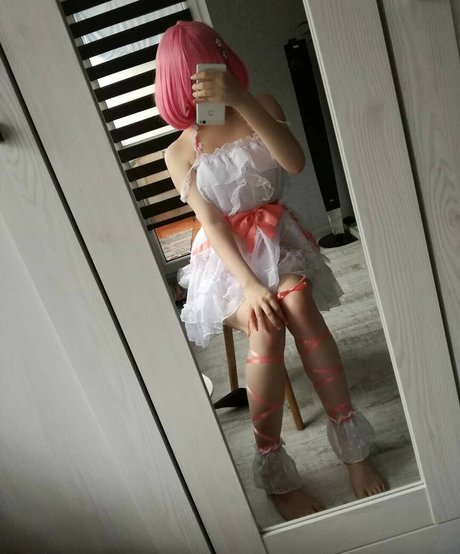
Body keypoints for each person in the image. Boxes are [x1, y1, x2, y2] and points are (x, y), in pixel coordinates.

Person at [155, 20, 386, 520]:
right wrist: (248, 285)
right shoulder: (178, 151)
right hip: (225, 262)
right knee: (266, 325)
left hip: (279, 242)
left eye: (210, 65)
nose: (201, 80)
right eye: (190, 75)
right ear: (174, 82)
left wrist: (240, 98)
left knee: (296, 301)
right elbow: (212, 222)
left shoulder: (261, 105)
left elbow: (295, 162)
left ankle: (353, 449)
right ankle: (274, 471)